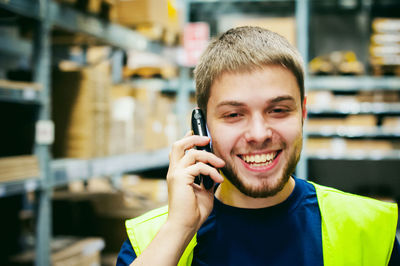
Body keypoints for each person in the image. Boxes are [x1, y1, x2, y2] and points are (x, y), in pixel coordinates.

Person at [117, 26, 399, 266]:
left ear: (302, 112)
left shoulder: (370, 231)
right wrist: (180, 229)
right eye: (233, 115)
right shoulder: (151, 241)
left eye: (278, 110)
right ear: (203, 127)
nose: (259, 134)